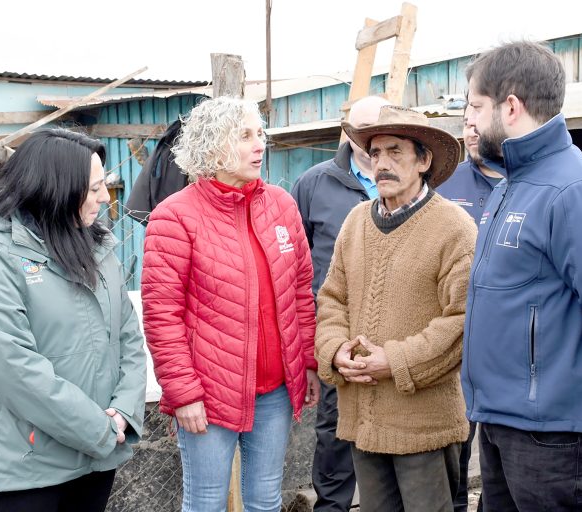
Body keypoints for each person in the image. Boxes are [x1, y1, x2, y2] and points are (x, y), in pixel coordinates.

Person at [461, 40, 582, 511]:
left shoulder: (576, 188)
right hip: (506, 418)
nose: (468, 119)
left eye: (475, 105)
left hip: (553, 433)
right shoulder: (514, 183)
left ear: (510, 106)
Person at [141, 96, 320, 512]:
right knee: (205, 502)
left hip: (274, 389)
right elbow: (161, 315)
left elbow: (299, 290)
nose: (259, 145)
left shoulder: (281, 205)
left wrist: (307, 362)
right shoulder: (175, 216)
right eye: (245, 136)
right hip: (208, 391)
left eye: (260, 134)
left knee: (265, 500)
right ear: (212, 144)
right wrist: (182, 392)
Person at [0, 128, 147, 512]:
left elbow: (127, 335)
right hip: (30, 467)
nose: (103, 196)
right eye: (93, 188)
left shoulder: (95, 245)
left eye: (103, 185)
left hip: (97, 458)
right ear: (56, 187)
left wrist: (125, 410)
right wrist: (100, 430)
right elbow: (14, 369)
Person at [315, 105, 476, 511]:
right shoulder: (355, 222)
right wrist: (335, 350)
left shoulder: (454, 227)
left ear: (424, 161)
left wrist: (395, 360)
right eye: (375, 153)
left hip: (423, 423)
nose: (381, 164)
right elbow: (332, 297)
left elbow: (462, 321)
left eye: (395, 152)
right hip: (363, 419)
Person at [290, 94, 391, 512]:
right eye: (362, 133)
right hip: (336, 336)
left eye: (380, 133)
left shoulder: (412, 182)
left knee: (393, 435)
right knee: (334, 435)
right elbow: (296, 267)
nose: (371, 143)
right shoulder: (313, 185)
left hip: (395, 335)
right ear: (348, 134)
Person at [436, 109, 504, 512]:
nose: (472, 130)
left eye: (481, 120)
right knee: (453, 449)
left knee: (501, 456)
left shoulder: (524, 183)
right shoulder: (446, 182)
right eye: (466, 121)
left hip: (506, 344)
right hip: (451, 340)